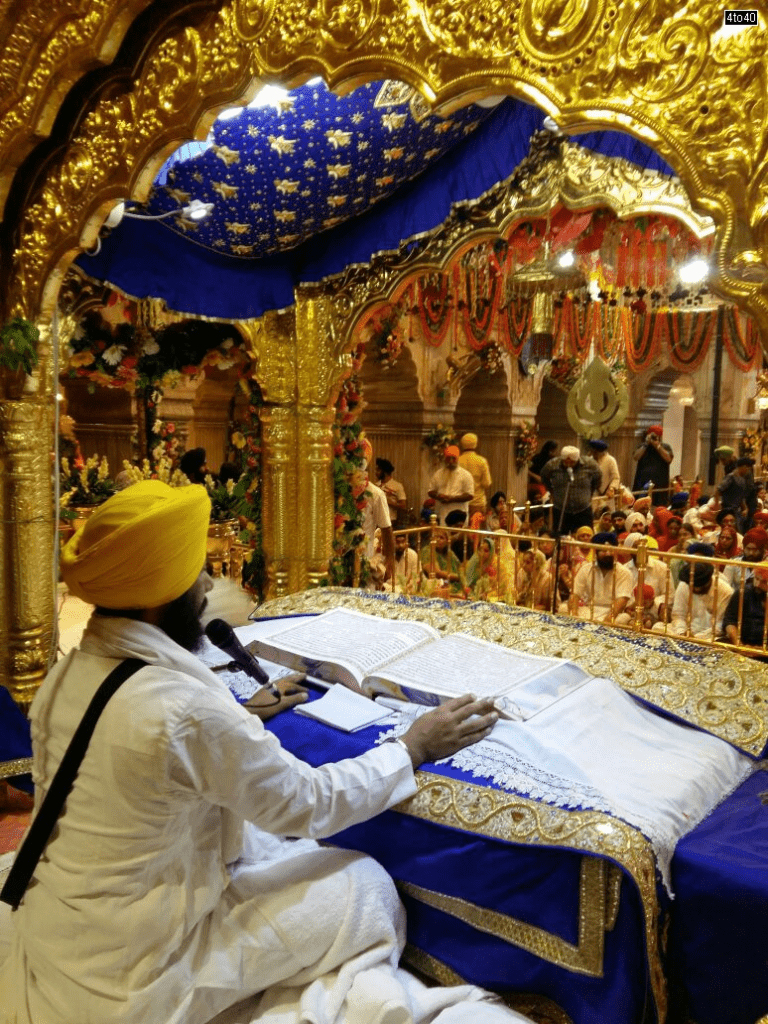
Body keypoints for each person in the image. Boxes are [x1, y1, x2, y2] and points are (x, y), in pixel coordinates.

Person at [3, 480, 503, 1024]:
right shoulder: (184, 709)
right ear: (156, 597)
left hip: (64, 939)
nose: (207, 584)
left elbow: (137, 751)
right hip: (137, 976)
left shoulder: (66, 676)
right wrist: (413, 746)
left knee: (263, 844)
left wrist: (241, 715)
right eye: (197, 572)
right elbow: (310, 802)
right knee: (363, 884)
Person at [656, 542, 733, 640]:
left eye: (699, 587)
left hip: (709, 636)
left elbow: (720, 625)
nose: (695, 590)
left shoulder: (725, 590)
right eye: (693, 587)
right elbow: (678, 615)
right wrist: (682, 632)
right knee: (657, 627)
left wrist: (696, 638)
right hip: (685, 632)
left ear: (708, 581)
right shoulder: (685, 583)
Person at [567, 531, 633, 623]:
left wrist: (609, 618)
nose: (608, 554)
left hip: (613, 613)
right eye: (604, 551)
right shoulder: (586, 569)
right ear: (596, 552)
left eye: (611, 550)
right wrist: (574, 613)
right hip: (589, 610)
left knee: (623, 619)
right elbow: (575, 593)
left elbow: (622, 600)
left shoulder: (624, 572)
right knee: (564, 609)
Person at [540, 445, 601, 536]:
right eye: (566, 462)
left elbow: (598, 479)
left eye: (572, 462)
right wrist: (551, 490)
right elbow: (544, 477)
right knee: (559, 537)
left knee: (586, 536)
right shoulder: (552, 465)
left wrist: (590, 492)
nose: (569, 464)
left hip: (583, 510)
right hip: (561, 509)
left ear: (577, 460)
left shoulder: (590, 464)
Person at [360, 437, 395, 585]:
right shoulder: (337, 490)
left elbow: (386, 529)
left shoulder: (375, 494)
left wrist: (389, 561)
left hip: (365, 562)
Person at [723, 559, 768, 651]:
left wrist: (763, 650)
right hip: (741, 645)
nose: (757, 585)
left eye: (764, 582)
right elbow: (729, 622)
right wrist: (739, 645)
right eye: (756, 579)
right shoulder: (743, 592)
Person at [427, 445, 474, 525]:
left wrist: (452, 499)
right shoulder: (438, 474)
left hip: (459, 515)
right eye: (448, 458)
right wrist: (438, 496)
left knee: (458, 533)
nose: (451, 461)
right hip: (442, 512)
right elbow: (430, 491)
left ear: (458, 458)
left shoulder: (466, 475)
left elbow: (470, 495)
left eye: (453, 458)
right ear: (445, 459)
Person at [632, 425, 673, 506]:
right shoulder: (643, 446)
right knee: (640, 506)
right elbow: (636, 457)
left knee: (658, 507)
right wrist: (646, 444)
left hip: (660, 485)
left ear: (660, 437)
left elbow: (668, 459)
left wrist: (658, 446)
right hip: (642, 483)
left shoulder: (665, 447)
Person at [715, 456, 756, 531]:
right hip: (727, 509)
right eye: (748, 469)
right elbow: (718, 490)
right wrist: (717, 505)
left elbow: (741, 497)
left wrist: (745, 508)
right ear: (744, 467)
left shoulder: (742, 480)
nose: (748, 471)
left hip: (737, 511)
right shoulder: (731, 477)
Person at [419, 527, 465, 595]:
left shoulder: (449, 553)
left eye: (441, 538)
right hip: (438, 586)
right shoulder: (427, 551)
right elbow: (436, 573)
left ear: (447, 541)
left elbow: (460, 566)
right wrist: (458, 577)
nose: (438, 540)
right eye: (435, 537)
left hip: (456, 585)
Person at [458, 432, 492, 518]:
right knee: (476, 525)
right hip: (477, 502)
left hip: (461, 502)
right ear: (476, 444)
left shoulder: (458, 461)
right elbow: (487, 483)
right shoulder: (481, 461)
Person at [376, 457, 407, 528]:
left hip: (390, 521)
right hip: (376, 521)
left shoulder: (397, 486)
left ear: (385, 472)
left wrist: (390, 502)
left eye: (378, 470)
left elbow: (403, 505)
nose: (376, 473)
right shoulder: (376, 486)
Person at [588, 439, 620, 503]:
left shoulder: (610, 460)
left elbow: (616, 478)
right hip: (592, 495)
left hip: (606, 495)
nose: (593, 454)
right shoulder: (590, 460)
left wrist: (611, 488)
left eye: (595, 452)